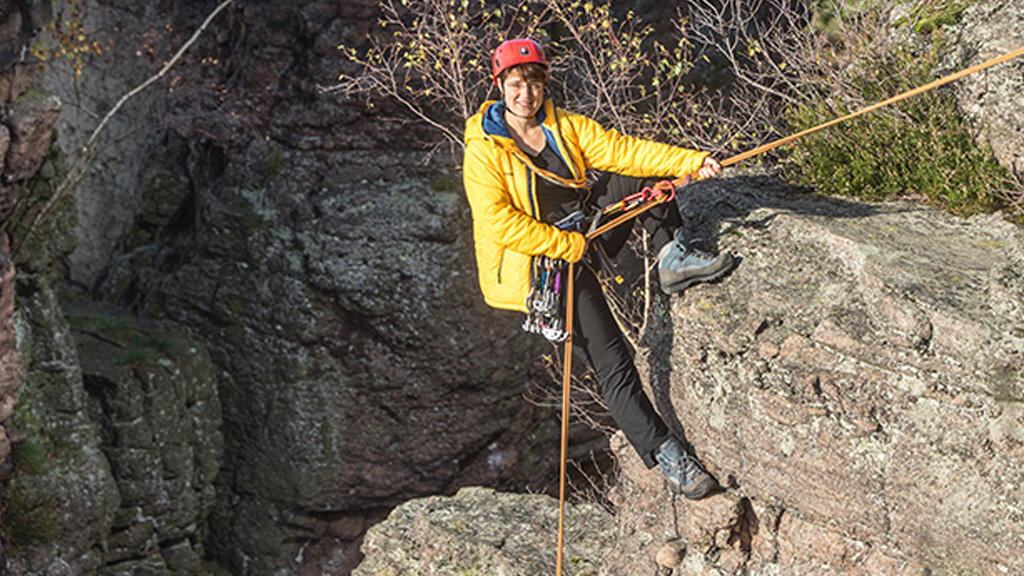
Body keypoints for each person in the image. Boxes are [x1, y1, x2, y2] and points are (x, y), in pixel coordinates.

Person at [462, 38, 733, 499]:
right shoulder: (484, 148)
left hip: (583, 231)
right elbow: (497, 221)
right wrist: (563, 244)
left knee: (648, 176)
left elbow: (624, 152)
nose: (525, 94)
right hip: (544, 265)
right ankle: (666, 455)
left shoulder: (564, 126)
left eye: (532, 83)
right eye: (515, 84)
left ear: (544, 84)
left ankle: (670, 257)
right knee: (612, 362)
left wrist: (693, 161)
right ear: (499, 87)